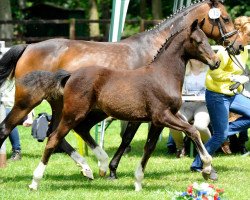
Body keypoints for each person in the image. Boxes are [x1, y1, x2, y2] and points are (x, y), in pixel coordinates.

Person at [190, 16, 250, 180]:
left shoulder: (243, 50)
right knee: (221, 135)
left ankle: (220, 135)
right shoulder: (224, 51)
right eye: (249, 35)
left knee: (221, 133)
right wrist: (234, 78)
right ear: (239, 33)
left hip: (232, 94)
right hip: (217, 95)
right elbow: (214, 73)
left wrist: (239, 82)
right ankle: (197, 163)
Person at [169, 59, 211, 158]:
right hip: (186, 105)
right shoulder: (183, 71)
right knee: (173, 124)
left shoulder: (209, 70)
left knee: (200, 126)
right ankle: (180, 147)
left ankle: (209, 148)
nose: (197, 59)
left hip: (204, 105)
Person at [0, 79, 33, 161]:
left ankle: (17, 151)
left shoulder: (18, 80)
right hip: (4, 111)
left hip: (19, 112)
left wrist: (30, 118)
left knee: (8, 117)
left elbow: (29, 99)